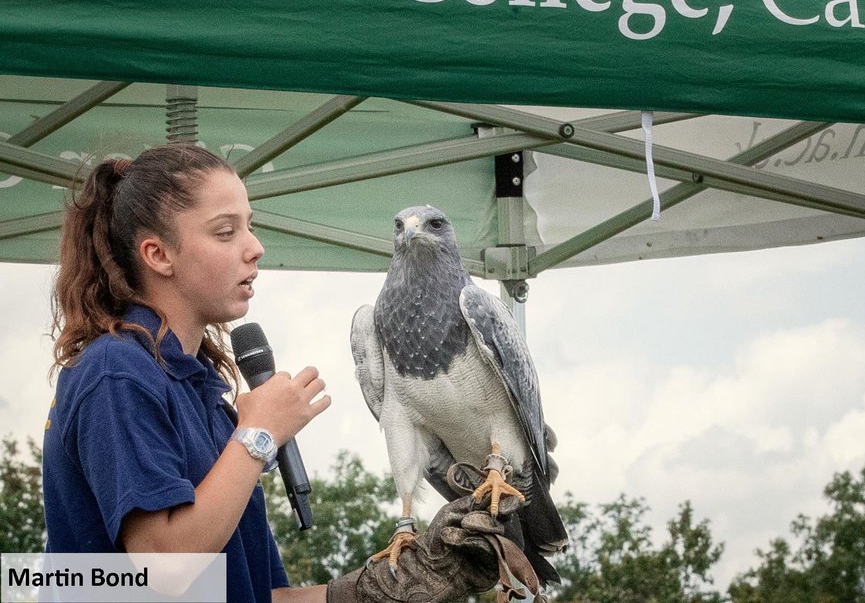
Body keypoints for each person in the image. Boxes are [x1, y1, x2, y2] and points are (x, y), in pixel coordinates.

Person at [42, 143, 527, 603]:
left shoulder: (202, 395)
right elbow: (164, 566)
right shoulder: (116, 372)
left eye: (250, 226)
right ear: (158, 255)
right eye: (225, 231)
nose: (255, 247)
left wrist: (392, 585)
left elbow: (259, 596)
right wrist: (256, 437)